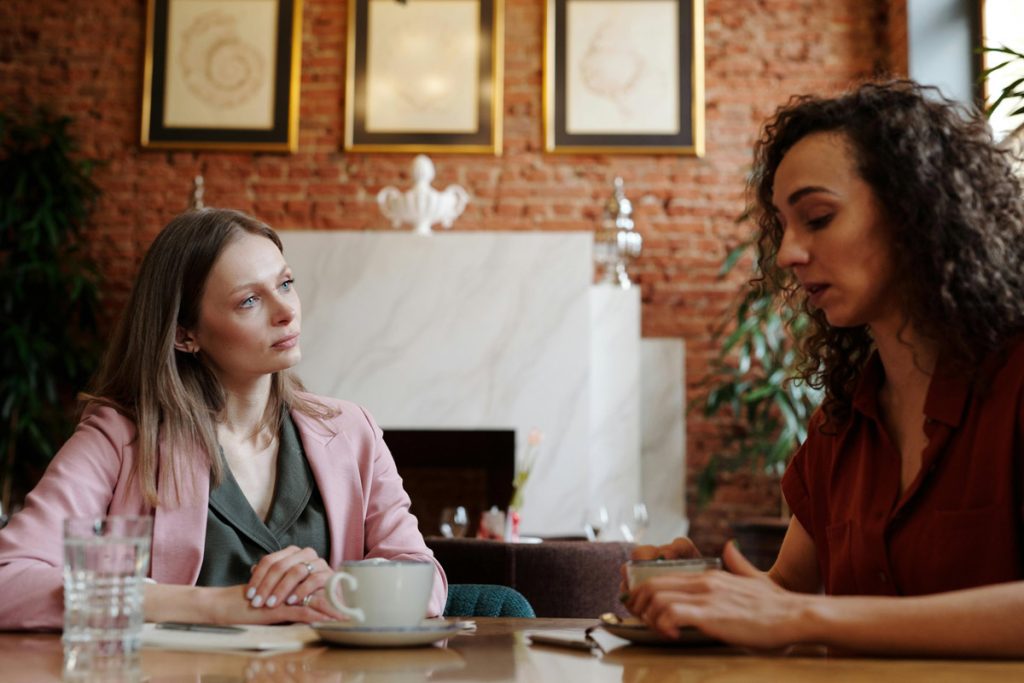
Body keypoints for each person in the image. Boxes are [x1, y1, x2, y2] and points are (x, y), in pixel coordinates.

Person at [624, 80, 1024, 657]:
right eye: (783, 226)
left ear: (916, 211)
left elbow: (803, 613)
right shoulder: (842, 421)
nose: (787, 253)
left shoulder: (1014, 377)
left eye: (817, 217)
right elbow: (789, 594)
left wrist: (802, 614)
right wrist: (703, 593)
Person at [0, 208, 447, 629]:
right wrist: (214, 606)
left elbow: (426, 580)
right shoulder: (119, 438)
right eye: (249, 300)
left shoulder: (350, 431)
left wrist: (341, 590)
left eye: (286, 283)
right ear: (184, 334)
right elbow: (9, 579)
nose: (286, 311)